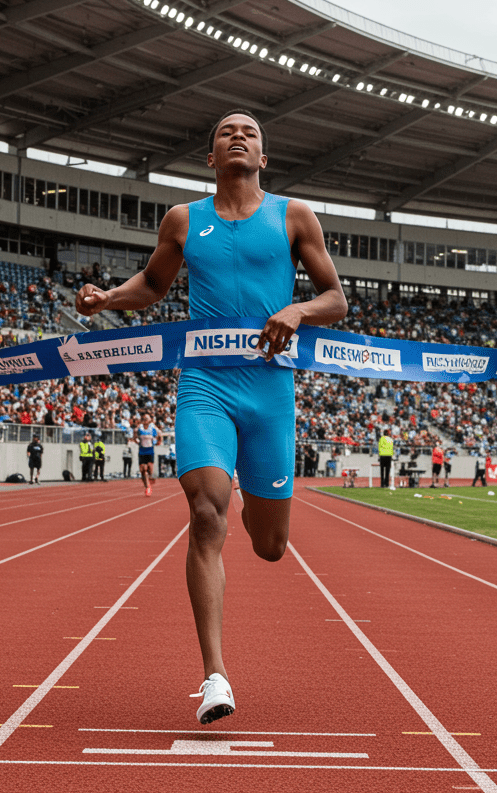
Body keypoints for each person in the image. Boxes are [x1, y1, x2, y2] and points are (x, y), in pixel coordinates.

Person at [76, 109, 346, 726]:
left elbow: (337, 297)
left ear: (263, 157)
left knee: (271, 546)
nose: (238, 136)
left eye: (249, 132)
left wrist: (299, 312)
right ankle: (215, 677)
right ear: (211, 156)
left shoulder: (293, 215)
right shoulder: (183, 220)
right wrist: (106, 299)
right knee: (205, 511)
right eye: (226, 131)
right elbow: (151, 283)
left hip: (271, 391)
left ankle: (259, 504)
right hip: (205, 386)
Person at [136, 412, 157, 497]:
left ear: (149, 420)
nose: (145, 420)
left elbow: (157, 436)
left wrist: (157, 441)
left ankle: (150, 481)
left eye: (146, 419)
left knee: (149, 467)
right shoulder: (140, 428)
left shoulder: (152, 428)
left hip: (150, 450)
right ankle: (147, 486)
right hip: (142, 450)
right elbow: (136, 436)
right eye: (144, 419)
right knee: (142, 469)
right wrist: (136, 440)